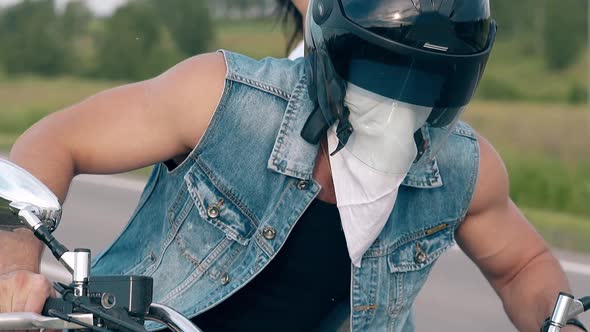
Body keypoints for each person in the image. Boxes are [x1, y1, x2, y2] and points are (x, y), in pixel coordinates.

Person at [0, 0, 585, 331]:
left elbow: (523, 265)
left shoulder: (462, 167)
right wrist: (12, 278)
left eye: (430, 78)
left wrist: (561, 325)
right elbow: (54, 141)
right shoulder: (223, 99)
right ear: (333, 49)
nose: (399, 101)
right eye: (378, 69)